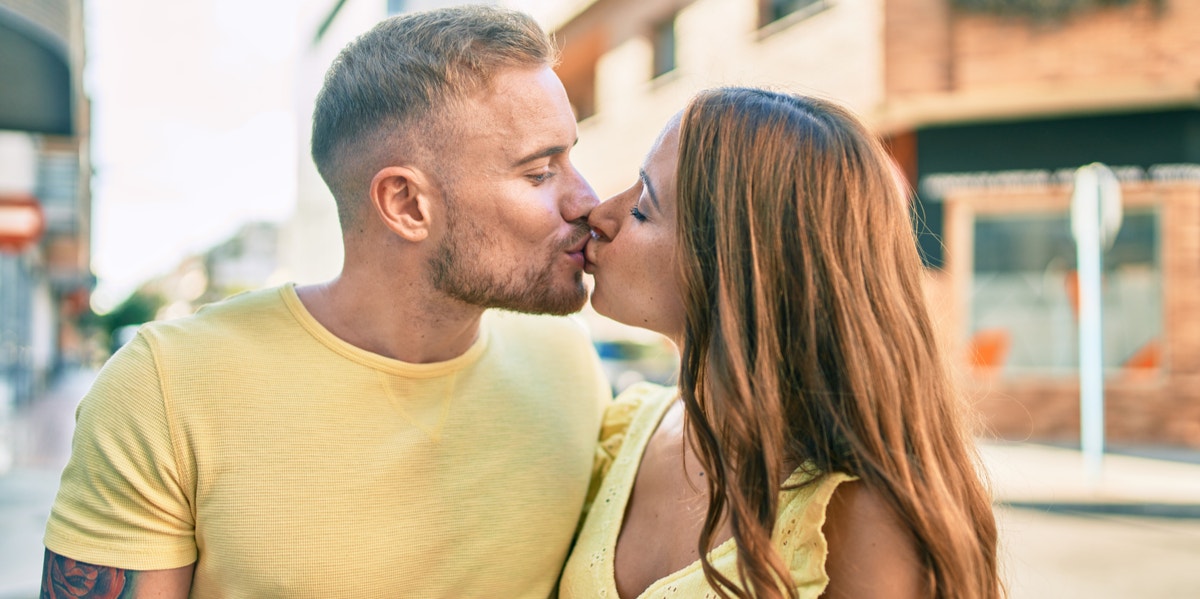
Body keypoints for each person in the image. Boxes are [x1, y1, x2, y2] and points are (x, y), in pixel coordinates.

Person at [41, 6, 611, 598]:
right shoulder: (162, 388)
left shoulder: (568, 364)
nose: (587, 200)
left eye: (571, 157)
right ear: (407, 205)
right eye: (541, 172)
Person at [561, 88, 1002, 599]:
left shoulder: (859, 518)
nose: (600, 214)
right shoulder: (623, 431)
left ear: (738, 267)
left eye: (642, 208)